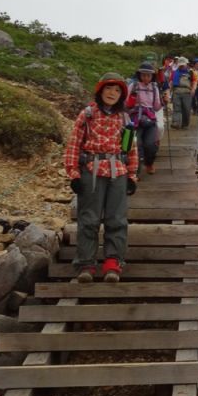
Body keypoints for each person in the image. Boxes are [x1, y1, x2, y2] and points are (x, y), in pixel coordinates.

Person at [64, 73, 138, 283]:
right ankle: (86, 264)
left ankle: (113, 263)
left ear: (122, 95)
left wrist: (132, 175)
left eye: (117, 90)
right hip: (92, 170)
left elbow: (130, 147)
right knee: (89, 219)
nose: (112, 93)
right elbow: (74, 144)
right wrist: (74, 173)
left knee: (117, 219)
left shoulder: (125, 118)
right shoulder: (87, 114)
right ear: (100, 91)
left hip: (118, 172)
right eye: (108, 89)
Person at [126, 62, 163, 174]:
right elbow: (126, 103)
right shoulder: (133, 86)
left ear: (152, 76)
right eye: (143, 75)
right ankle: (135, 172)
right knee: (135, 144)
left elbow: (156, 107)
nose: (146, 77)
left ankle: (149, 164)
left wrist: (164, 102)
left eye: (148, 75)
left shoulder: (154, 88)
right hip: (135, 119)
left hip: (150, 119)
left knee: (151, 145)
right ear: (139, 75)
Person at [170, 56, 196, 128]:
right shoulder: (174, 73)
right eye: (180, 65)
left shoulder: (191, 73)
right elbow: (171, 82)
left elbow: (194, 81)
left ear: (186, 65)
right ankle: (176, 122)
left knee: (186, 109)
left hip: (187, 92)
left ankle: (185, 124)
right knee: (176, 108)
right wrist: (169, 92)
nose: (182, 66)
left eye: (183, 65)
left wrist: (193, 89)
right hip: (177, 91)